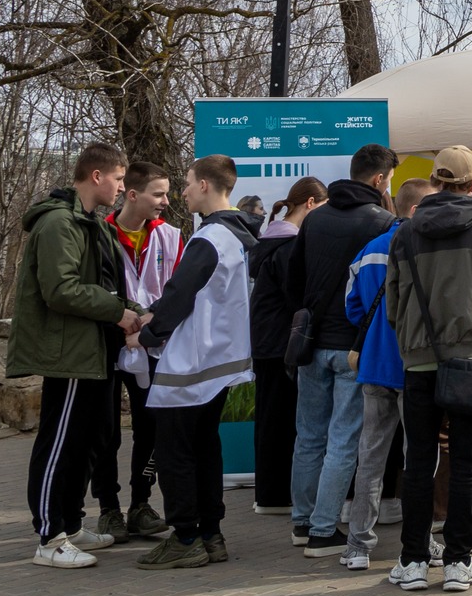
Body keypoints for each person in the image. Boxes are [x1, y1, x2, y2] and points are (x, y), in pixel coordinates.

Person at [383, 145, 472, 594]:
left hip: (418, 358)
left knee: (419, 460)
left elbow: (393, 301)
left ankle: (414, 560)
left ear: (437, 180)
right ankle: (460, 560)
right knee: (466, 460)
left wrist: (413, 340)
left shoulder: (405, 232)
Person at [10, 142, 143, 568]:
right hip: (69, 353)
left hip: (94, 350)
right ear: (97, 176)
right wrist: (118, 312)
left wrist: (136, 313)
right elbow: (61, 290)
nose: (123, 188)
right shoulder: (58, 225)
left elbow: (107, 285)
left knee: (89, 441)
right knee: (59, 444)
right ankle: (49, 537)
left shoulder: (95, 224)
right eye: (120, 179)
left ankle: (70, 523)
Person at [134, 155, 261, 569]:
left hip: (190, 362)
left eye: (186, 183)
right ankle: (211, 534)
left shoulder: (210, 238)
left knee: (176, 452)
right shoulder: (241, 237)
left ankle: (185, 536)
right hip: (221, 362)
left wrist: (147, 333)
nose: (182, 192)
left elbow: (179, 295)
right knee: (206, 449)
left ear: (205, 185)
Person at [285, 143, 397, 557]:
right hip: (353, 346)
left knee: (309, 436)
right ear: (380, 179)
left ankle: (301, 521)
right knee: (344, 441)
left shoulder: (314, 219)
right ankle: (321, 530)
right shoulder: (383, 222)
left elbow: (292, 280)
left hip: (311, 344)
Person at [341, 177, 433, 571]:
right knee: (419, 461)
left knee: (371, 458)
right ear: (415, 210)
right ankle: (421, 541)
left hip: (375, 365)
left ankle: (358, 546)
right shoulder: (429, 251)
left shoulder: (369, 251)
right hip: (415, 367)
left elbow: (353, 307)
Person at [90, 161, 182, 543]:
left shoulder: (172, 236)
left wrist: (149, 326)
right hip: (106, 344)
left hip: (151, 344)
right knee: (105, 431)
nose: (166, 201)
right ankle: (109, 509)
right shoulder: (98, 234)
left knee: (151, 427)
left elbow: (176, 290)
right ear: (132, 194)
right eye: (158, 193)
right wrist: (121, 322)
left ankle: (141, 503)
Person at [248, 178, 320, 516]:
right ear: (309, 203)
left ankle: (270, 492)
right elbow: (298, 298)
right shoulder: (289, 246)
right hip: (282, 343)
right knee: (282, 421)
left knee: (269, 419)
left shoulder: (269, 240)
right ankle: (276, 495)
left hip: (267, 342)